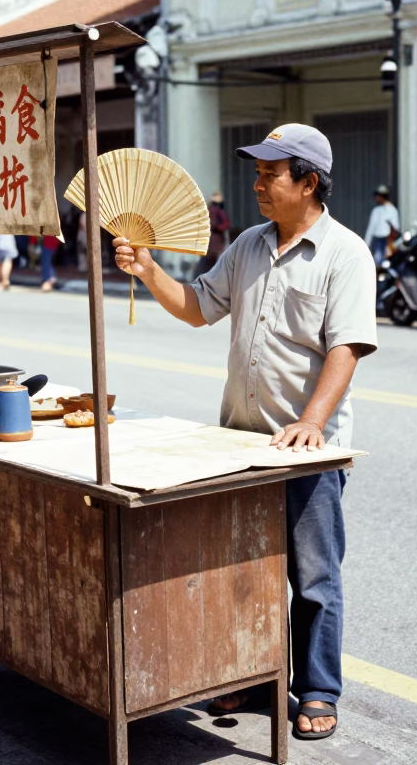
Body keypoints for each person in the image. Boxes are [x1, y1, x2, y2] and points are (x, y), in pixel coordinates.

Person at [113, 123, 377, 741]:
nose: (256, 184)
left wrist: (312, 422)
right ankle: (254, 676)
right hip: (239, 447)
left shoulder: (345, 254)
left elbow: (347, 348)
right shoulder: (248, 246)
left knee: (312, 578)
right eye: (256, 172)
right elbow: (198, 307)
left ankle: (315, 690)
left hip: (307, 455)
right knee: (241, 571)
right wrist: (149, 268)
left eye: (270, 174)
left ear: (308, 183)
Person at [195, 191, 232, 277]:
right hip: (208, 243)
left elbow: (226, 224)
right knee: (206, 266)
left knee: (211, 265)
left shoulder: (218, 211)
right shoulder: (210, 209)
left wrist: (216, 227)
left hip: (214, 243)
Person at [363, 185, 399, 264]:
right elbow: (371, 228)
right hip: (378, 240)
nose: (376, 198)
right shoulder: (376, 210)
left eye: (378, 196)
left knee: (388, 262)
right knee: (378, 262)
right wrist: (366, 244)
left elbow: (396, 228)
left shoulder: (392, 210)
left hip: (388, 241)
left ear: (382, 196)